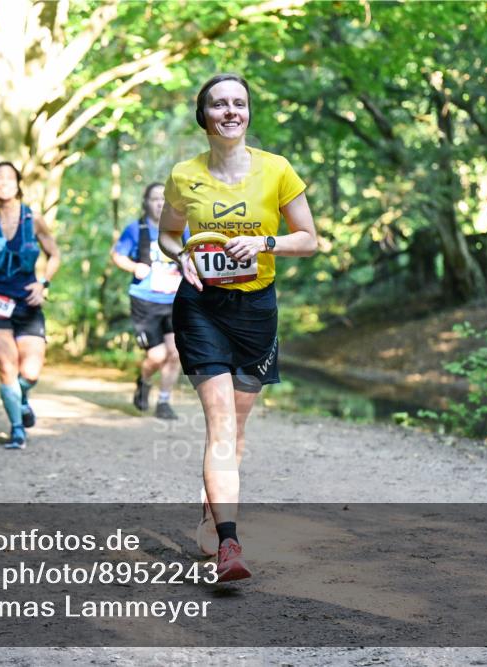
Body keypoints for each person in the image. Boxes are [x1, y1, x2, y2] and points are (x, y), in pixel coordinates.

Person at [158, 74, 318, 581]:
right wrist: (180, 254)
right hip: (201, 306)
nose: (231, 111)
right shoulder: (185, 175)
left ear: (248, 113)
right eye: (220, 104)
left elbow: (309, 238)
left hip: (256, 311)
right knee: (221, 424)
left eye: (239, 103)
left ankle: (213, 507)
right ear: (203, 115)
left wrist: (266, 244)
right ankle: (230, 544)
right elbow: (166, 235)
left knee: (237, 429)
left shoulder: (277, 170)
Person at [0, 161, 60, 449]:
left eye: (9, 178)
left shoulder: (34, 218)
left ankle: (22, 398)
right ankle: (17, 429)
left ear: (18, 184)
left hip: (27, 304)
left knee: (30, 372)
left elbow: (54, 254)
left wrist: (43, 284)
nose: (3, 182)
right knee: (7, 364)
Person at [111, 183, 188, 420]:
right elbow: (117, 255)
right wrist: (135, 267)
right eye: (155, 199)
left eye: (164, 199)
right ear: (146, 202)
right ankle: (144, 381)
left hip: (174, 299)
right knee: (157, 355)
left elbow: (193, 254)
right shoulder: (136, 229)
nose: (160, 204)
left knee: (175, 353)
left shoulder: (180, 230)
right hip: (145, 301)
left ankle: (164, 402)